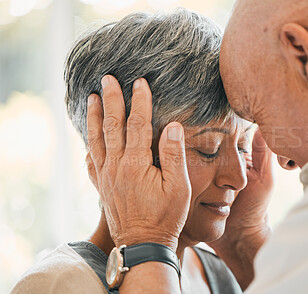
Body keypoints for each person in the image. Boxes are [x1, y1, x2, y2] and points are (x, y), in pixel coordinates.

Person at [82, 0, 308, 293]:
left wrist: (145, 243)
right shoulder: (59, 281)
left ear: (302, 55)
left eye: (252, 130)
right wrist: (242, 241)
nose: (285, 159)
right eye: (208, 148)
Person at [10, 8, 273, 294]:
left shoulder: (220, 274)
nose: (239, 178)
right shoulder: (58, 285)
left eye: (242, 146)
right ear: (119, 152)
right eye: (208, 149)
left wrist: (245, 239)